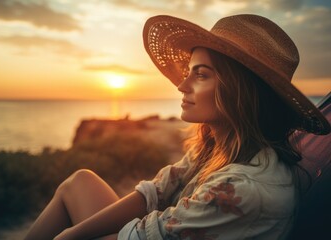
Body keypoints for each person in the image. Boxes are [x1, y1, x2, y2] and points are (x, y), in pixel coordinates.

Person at [25, 14, 330, 240]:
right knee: (80, 181)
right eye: (188, 72)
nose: (182, 85)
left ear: (239, 91)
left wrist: (69, 236)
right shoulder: (220, 149)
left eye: (200, 75)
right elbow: (154, 193)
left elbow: (140, 234)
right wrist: (69, 236)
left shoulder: (242, 189)